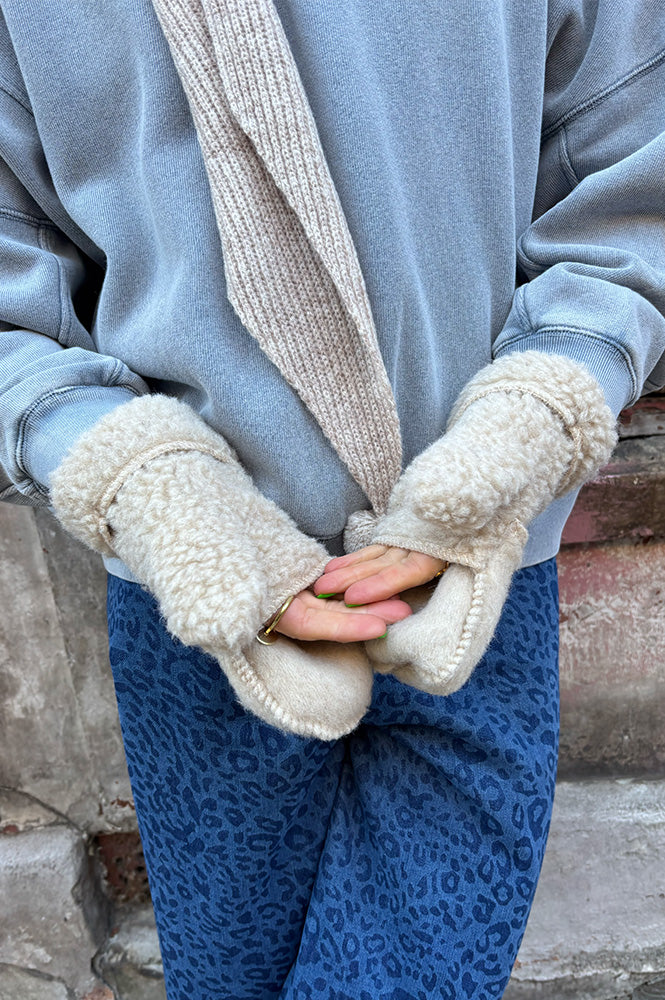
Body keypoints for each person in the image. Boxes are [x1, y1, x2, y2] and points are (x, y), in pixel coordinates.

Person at [1, 0, 663, 996]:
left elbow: (634, 186)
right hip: (203, 609)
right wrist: (157, 492)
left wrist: (524, 429)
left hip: (473, 590)